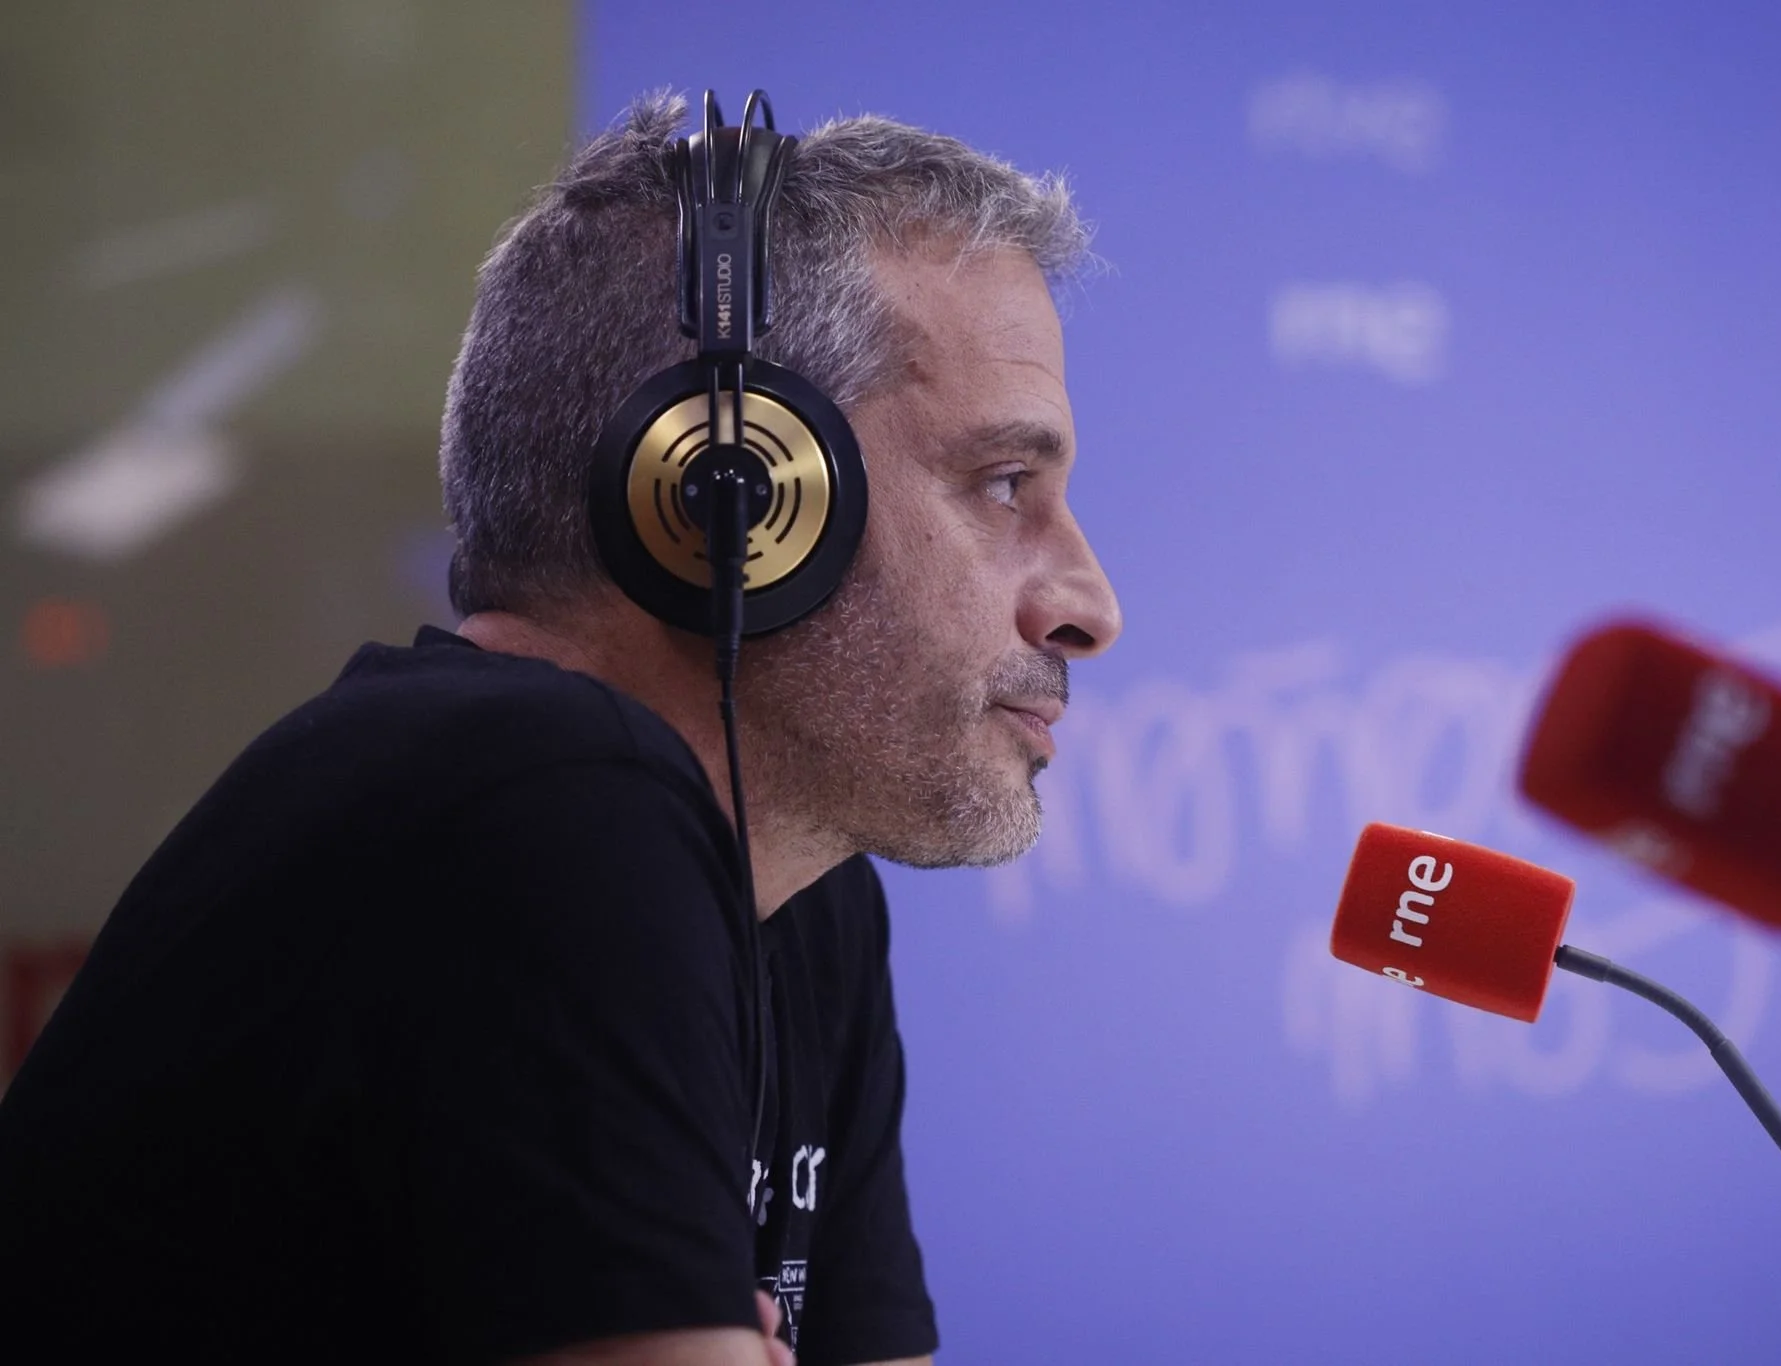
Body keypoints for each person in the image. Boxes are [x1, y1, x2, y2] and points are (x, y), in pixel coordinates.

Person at [0, 91, 1121, 1366]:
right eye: (1000, 484)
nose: (1090, 605)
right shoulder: (537, 799)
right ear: (730, 493)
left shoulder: (797, 898)